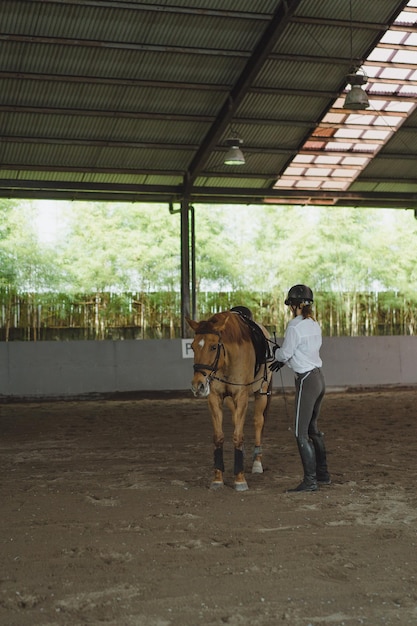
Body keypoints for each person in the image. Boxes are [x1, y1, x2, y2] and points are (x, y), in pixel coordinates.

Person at [269, 284, 330, 492]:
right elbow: (302, 352)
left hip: (306, 381)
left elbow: (286, 354)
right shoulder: (313, 324)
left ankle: (310, 481)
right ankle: (323, 475)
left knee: (300, 432)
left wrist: (278, 354)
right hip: (319, 379)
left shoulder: (294, 326)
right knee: (313, 428)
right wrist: (285, 357)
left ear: (294, 305)